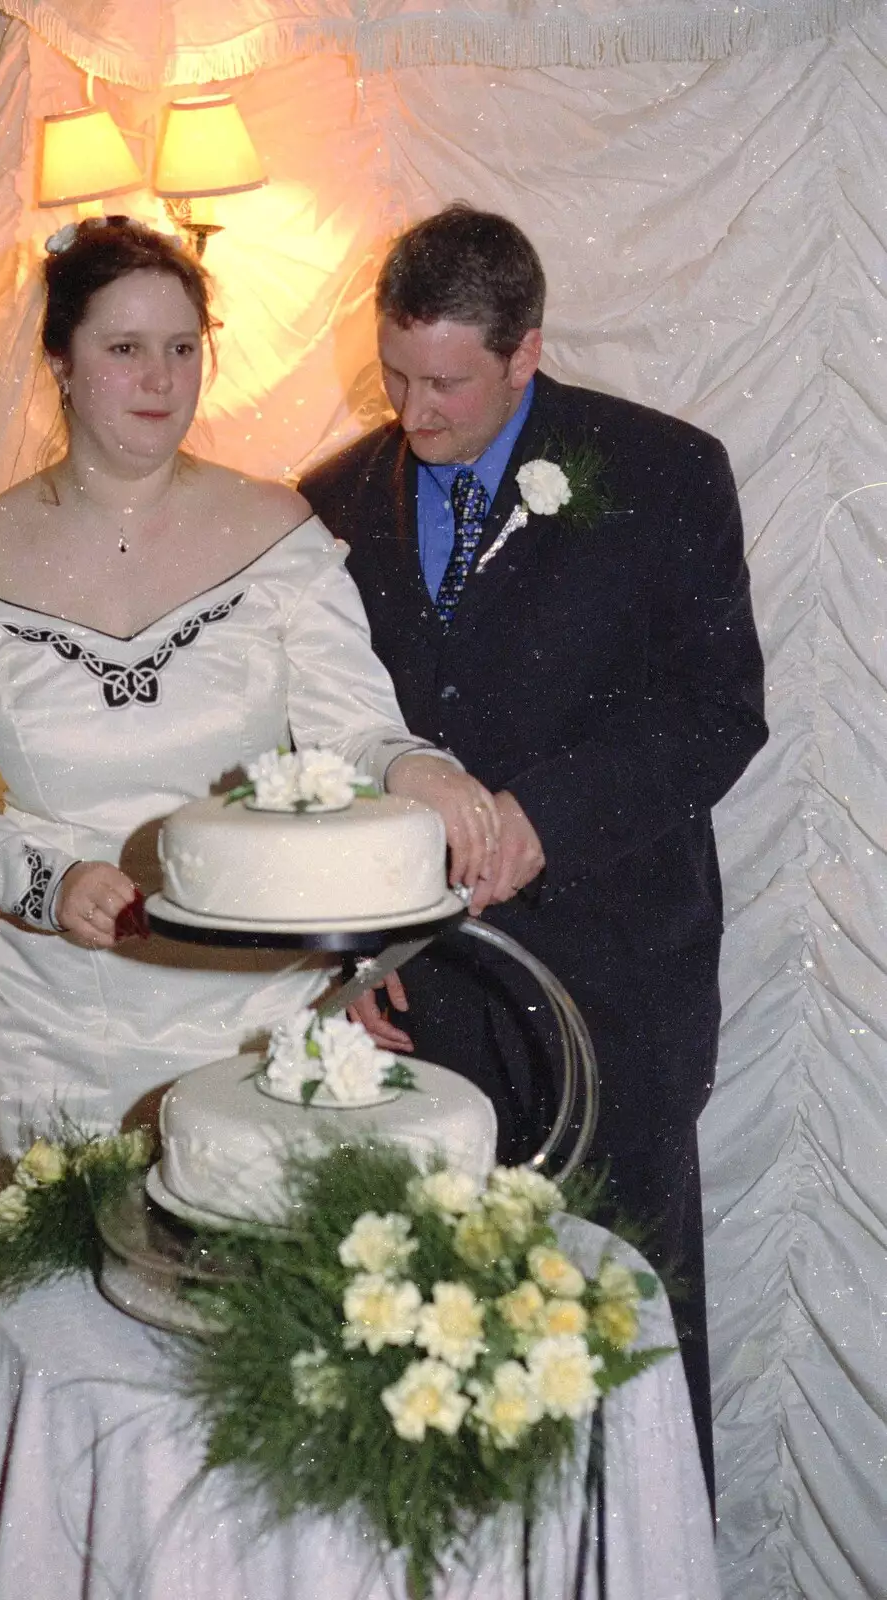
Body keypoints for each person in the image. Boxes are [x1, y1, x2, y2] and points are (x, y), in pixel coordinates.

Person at [300, 203, 769, 1501]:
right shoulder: (326, 504)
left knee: (615, 1337)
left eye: (444, 380)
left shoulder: (666, 470)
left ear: (527, 351)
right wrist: (350, 944)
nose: (413, 410)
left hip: (616, 990)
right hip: (415, 1003)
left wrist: (537, 818)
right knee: (426, 1349)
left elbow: (715, 713)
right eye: (394, 374)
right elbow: (311, 741)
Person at [0, 215, 499, 1161]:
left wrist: (424, 774)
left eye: (180, 348)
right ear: (60, 360)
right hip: (68, 1006)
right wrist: (43, 885)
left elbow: (356, 731)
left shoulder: (277, 532)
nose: (161, 381)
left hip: (260, 994)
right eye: (124, 349)